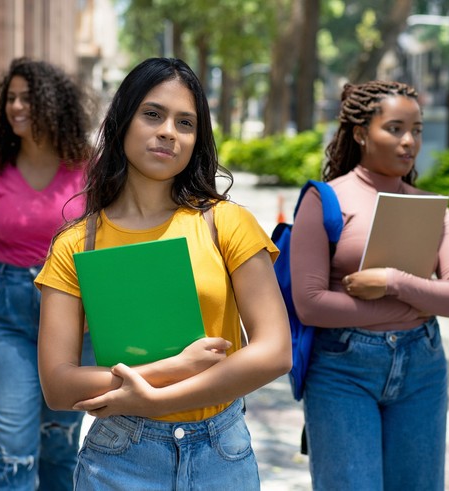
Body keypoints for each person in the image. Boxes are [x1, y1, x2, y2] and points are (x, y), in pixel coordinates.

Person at [34, 57, 291, 489]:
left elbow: (275, 351)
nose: (168, 131)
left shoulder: (226, 222)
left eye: (185, 123)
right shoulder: (77, 243)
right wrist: (173, 368)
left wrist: (155, 396)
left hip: (221, 454)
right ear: (122, 123)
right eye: (152, 114)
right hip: (119, 456)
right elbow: (59, 386)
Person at [289, 81, 449, 490]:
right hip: (342, 370)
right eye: (394, 128)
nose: (410, 141)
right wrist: (419, 302)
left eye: (417, 130)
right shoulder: (323, 201)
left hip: (422, 367)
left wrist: (394, 282)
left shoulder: (432, 208)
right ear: (360, 134)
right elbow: (310, 304)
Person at [0, 57, 95, 490]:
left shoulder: (89, 166)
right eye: (10, 98)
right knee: (13, 456)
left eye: (27, 98)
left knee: (62, 451)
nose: (15, 106)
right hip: (9, 314)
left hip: (76, 318)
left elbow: (111, 243)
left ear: (53, 104)